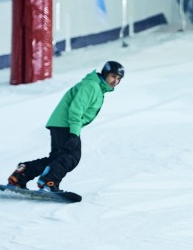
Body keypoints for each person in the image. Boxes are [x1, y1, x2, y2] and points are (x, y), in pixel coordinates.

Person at [7, 60, 124, 192]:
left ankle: (21, 175)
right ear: (106, 73)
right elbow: (76, 109)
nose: (115, 81)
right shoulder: (92, 86)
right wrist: (74, 133)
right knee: (72, 157)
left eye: (119, 78)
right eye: (113, 76)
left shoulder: (96, 87)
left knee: (56, 159)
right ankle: (48, 182)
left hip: (61, 123)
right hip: (66, 124)